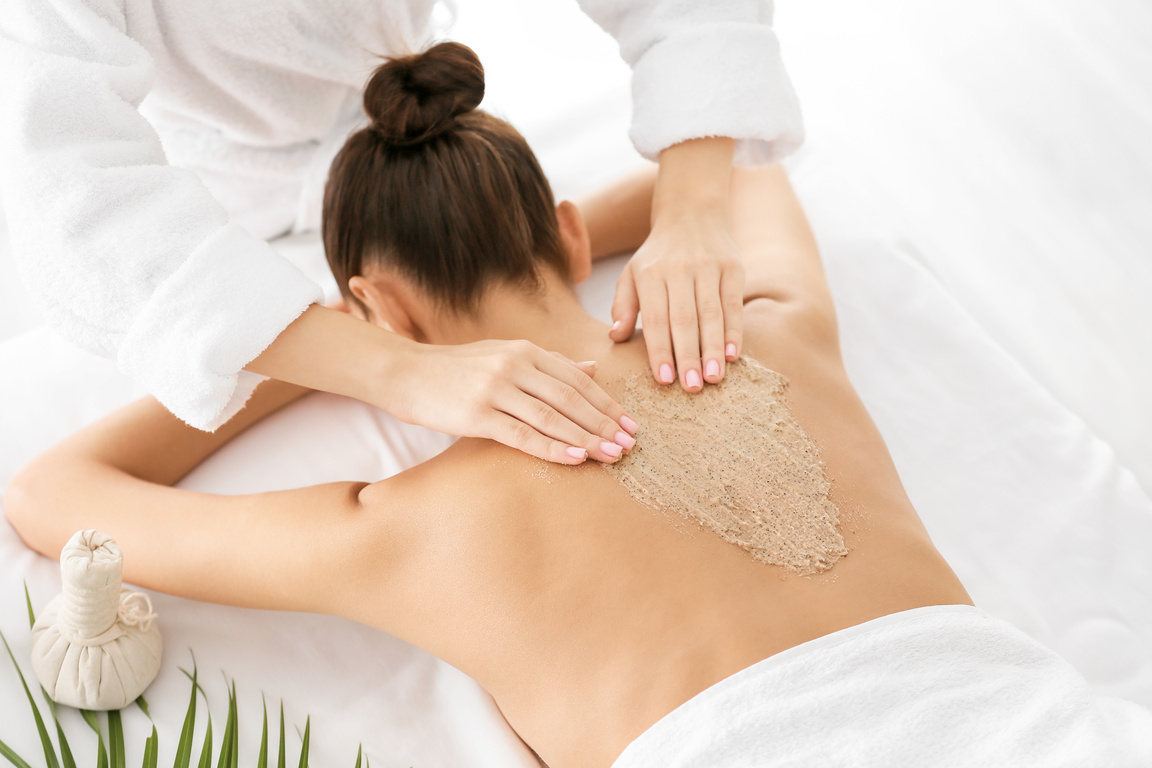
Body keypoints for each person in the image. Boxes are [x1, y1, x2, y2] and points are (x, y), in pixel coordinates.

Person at [9, 44, 1149, 768]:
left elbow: (52, 494)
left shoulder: (404, 528)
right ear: (563, 231)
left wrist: (317, 351)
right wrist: (625, 237)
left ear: (376, 310)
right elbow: (741, 168)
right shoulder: (770, 335)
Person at [0, 0, 803, 466]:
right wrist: (397, 372)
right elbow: (63, 181)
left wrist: (691, 207)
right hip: (239, 213)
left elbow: (53, 491)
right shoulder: (794, 331)